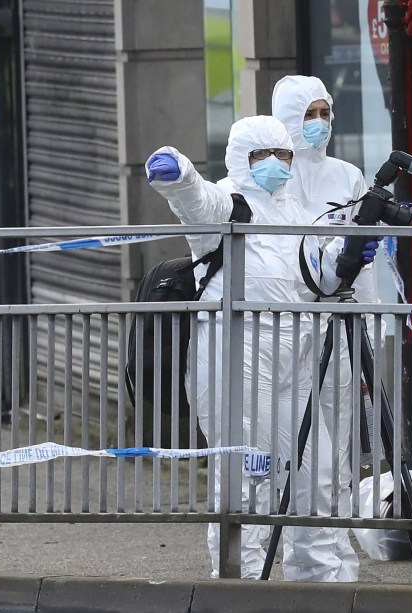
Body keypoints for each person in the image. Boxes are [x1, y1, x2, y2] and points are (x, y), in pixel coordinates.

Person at [145, 115, 377, 581]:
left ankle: (319, 586)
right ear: (239, 159)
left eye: (283, 155)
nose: (273, 165)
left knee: (319, 477)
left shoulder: (295, 212)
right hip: (240, 361)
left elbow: (315, 280)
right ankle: (241, 589)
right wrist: (179, 174)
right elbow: (196, 200)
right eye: (260, 156)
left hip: (297, 359)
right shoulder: (227, 206)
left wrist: (345, 256)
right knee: (246, 482)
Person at [272, 75, 381, 583]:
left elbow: (368, 253)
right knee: (296, 441)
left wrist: (374, 316)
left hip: (340, 319)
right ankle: (300, 556)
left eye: (326, 113)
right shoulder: (273, 177)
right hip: (288, 326)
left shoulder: (347, 176)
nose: (320, 124)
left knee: (336, 443)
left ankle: (334, 554)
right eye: (309, 114)